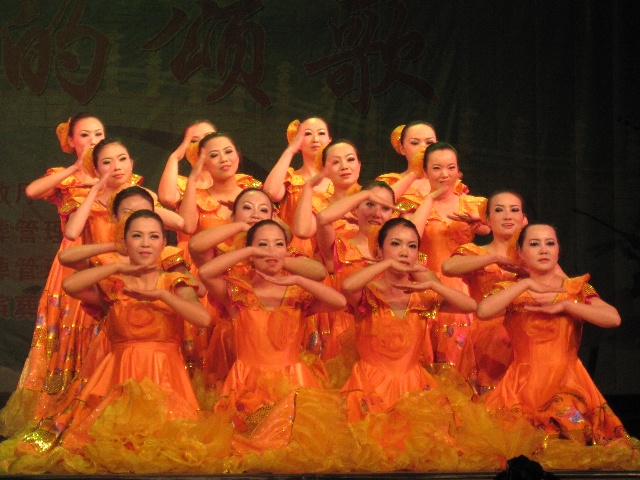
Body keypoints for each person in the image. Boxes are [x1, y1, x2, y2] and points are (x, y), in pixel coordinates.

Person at [3, 210, 211, 472]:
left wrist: (162, 296)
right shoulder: (114, 285)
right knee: (107, 445)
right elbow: (71, 285)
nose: (145, 243)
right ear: (125, 243)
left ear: (163, 243)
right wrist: (116, 267)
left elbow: (203, 318)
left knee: (166, 447)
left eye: (153, 236)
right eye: (137, 236)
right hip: (119, 374)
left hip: (164, 375)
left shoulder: (174, 282)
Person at [476, 224, 639, 465]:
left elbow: (613, 318)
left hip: (568, 380)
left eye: (550, 243)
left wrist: (567, 306)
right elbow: (483, 311)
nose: (544, 249)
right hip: (522, 384)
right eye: (534, 244)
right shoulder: (511, 289)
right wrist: (525, 284)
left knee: (572, 443)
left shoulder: (576, 289)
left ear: (558, 250)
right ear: (520, 252)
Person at [197, 219, 346, 453]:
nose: (270, 250)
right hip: (247, 382)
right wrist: (248, 252)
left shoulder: (297, 294)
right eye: (262, 244)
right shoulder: (238, 293)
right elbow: (206, 272)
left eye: (278, 244)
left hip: (293, 381)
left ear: (287, 250)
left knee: (295, 448)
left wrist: (297, 278)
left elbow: (339, 302)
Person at [0, 113, 104, 437]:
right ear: (71, 142)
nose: (93, 140)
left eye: (99, 134)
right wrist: (76, 169)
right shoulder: (65, 179)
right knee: (65, 336)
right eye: (85, 135)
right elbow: (33, 190)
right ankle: (57, 410)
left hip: (107, 263)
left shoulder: (121, 179)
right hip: (72, 265)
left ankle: (96, 409)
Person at [187, 189, 327, 396]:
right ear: (233, 215)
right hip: (235, 335)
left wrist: (271, 256)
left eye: (263, 210)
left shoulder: (282, 253)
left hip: (277, 332)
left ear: (272, 217)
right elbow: (195, 246)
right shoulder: (225, 252)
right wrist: (241, 228)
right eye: (247, 208)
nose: (255, 214)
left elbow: (319, 272)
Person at [408, 142, 489, 367]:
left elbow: (494, 230)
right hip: (425, 282)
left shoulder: (472, 204)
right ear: (425, 171)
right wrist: (429, 200)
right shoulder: (414, 204)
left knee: (457, 353)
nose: (445, 174)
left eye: (451, 168)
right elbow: (411, 235)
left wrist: (480, 220)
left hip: (462, 285)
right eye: (437, 168)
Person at [441, 191, 528, 396]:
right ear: (487, 219)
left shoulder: (534, 254)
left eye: (514, 210)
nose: (507, 216)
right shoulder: (475, 252)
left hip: (527, 336)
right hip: (489, 339)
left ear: (524, 219)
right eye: (499, 210)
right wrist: (493, 258)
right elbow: (448, 267)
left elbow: (564, 285)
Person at [314, 182, 396, 377]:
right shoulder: (340, 247)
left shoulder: (399, 252)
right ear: (355, 208)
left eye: (385, 208)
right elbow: (323, 218)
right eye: (370, 204)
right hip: (343, 333)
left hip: (387, 335)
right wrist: (363, 194)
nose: (377, 213)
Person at [263, 117, 333, 256]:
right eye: (307, 133)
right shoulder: (291, 178)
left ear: (330, 140)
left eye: (321, 133)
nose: (315, 139)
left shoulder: (339, 181)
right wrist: (290, 150)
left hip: (332, 257)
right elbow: (270, 193)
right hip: (295, 257)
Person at [376, 121, 438, 214]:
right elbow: (376, 210)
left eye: (429, 142)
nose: (423, 148)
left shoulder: (451, 184)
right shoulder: (389, 182)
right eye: (415, 143)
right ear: (402, 149)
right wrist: (414, 174)